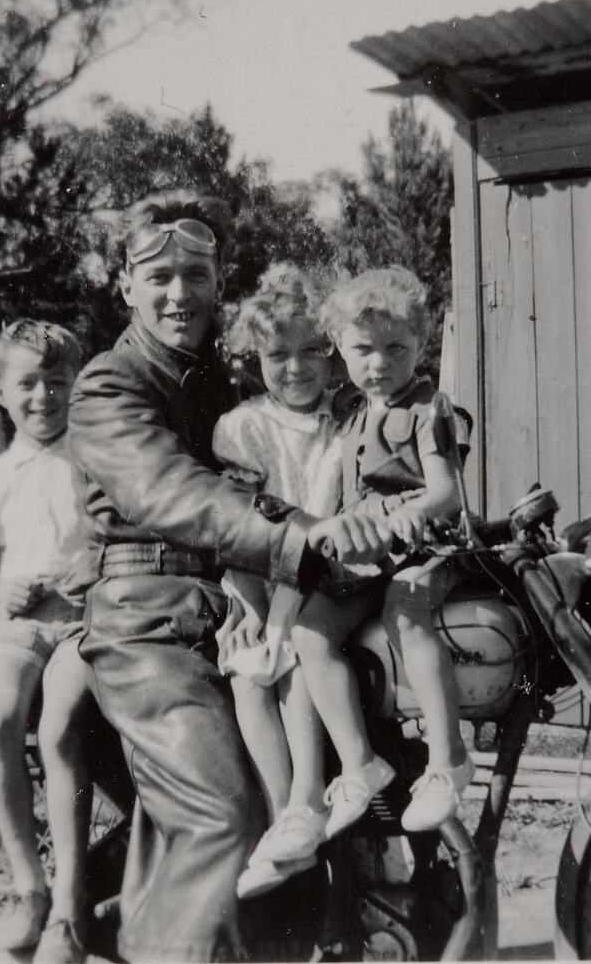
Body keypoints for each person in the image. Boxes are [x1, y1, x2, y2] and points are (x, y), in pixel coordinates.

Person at [66, 190, 390, 962]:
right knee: (223, 816)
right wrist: (294, 542)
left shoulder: (219, 382)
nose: (180, 292)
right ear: (126, 284)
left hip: (226, 606)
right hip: (148, 618)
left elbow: (287, 465)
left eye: (197, 273)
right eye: (161, 275)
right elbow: (172, 493)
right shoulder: (110, 386)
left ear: (219, 282)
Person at [292, 265, 474, 840]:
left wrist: (409, 516)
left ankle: (448, 761)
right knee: (310, 632)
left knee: (405, 612)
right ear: (341, 350)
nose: (380, 362)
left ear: (421, 344)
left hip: (422, 546)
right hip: (365, 551)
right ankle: (359, 762)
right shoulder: (348, 416)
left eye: (396, 347)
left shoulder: (427, 407)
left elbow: (445, 490)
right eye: (364, 349)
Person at [0, 320, 94, 961]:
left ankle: (68, 907)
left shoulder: (95, 459)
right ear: (1, 391)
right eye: (27, 383)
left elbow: (123, 535)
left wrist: (92, 569)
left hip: (85, 622)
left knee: (60, 728)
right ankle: (29, 886)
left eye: (57, 383)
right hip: (25, 622)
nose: (43, 397)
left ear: (76, 387)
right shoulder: (0, 475)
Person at [211, 265, 340, 899]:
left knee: (302, 660)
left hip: (337, 581)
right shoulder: (245, 428)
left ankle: (309, 805)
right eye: (277, 355)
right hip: (265, 578)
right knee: (251, 667)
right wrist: (254, 605)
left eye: (310, 351)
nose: (295, 368)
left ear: (331, 351)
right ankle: (278, 809)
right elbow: (237, 529)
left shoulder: (346, 421)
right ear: (252, 358)